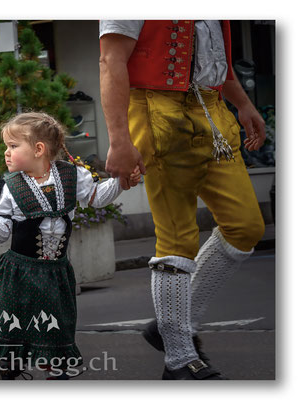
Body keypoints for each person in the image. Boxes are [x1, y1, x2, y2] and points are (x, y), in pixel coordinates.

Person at [98, 20, 267, 379]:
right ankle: (178, 357)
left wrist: (243, 104)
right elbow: (111, 60)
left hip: (213, 105)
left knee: (245, 226)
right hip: (157, 107)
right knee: (177, 238)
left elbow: (212, 58)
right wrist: (119, 140)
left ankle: (170, 324)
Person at [0, 111, 140, 380]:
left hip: (56, 273)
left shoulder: (72, 175)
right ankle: (7, 368)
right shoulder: (9, 186)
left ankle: (58, 372)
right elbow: (0, 234)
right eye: (7, 147)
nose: (6, 152)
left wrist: (120, 181)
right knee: (14, 329)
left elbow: (96, 196)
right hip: (17, 273)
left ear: (39, 149)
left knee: (55, 328)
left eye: (13, 146)